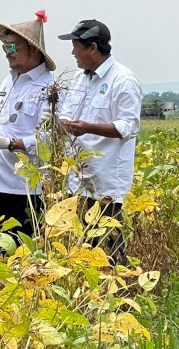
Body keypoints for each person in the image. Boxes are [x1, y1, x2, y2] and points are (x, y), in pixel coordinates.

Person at [57, 19, 143, 265]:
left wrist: (87, 128)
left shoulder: (123, 80)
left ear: (92, 47)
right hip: (78, 177)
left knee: (109, 244)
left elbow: (129, 126)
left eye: (76, 46)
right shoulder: (79, 78)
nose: (73, 52)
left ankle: (120, 298)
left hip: (106, 180)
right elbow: (67, 113)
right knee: (83, 244)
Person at [0, 10, 55, 242]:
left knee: (24, 254)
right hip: (0, 182)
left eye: (13, 47)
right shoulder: (8, 81)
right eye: (4, 48)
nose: (7, 53)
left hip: (29, 189)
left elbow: (50, 141)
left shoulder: (49, 88)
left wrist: (12, 144)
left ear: (33, 49)